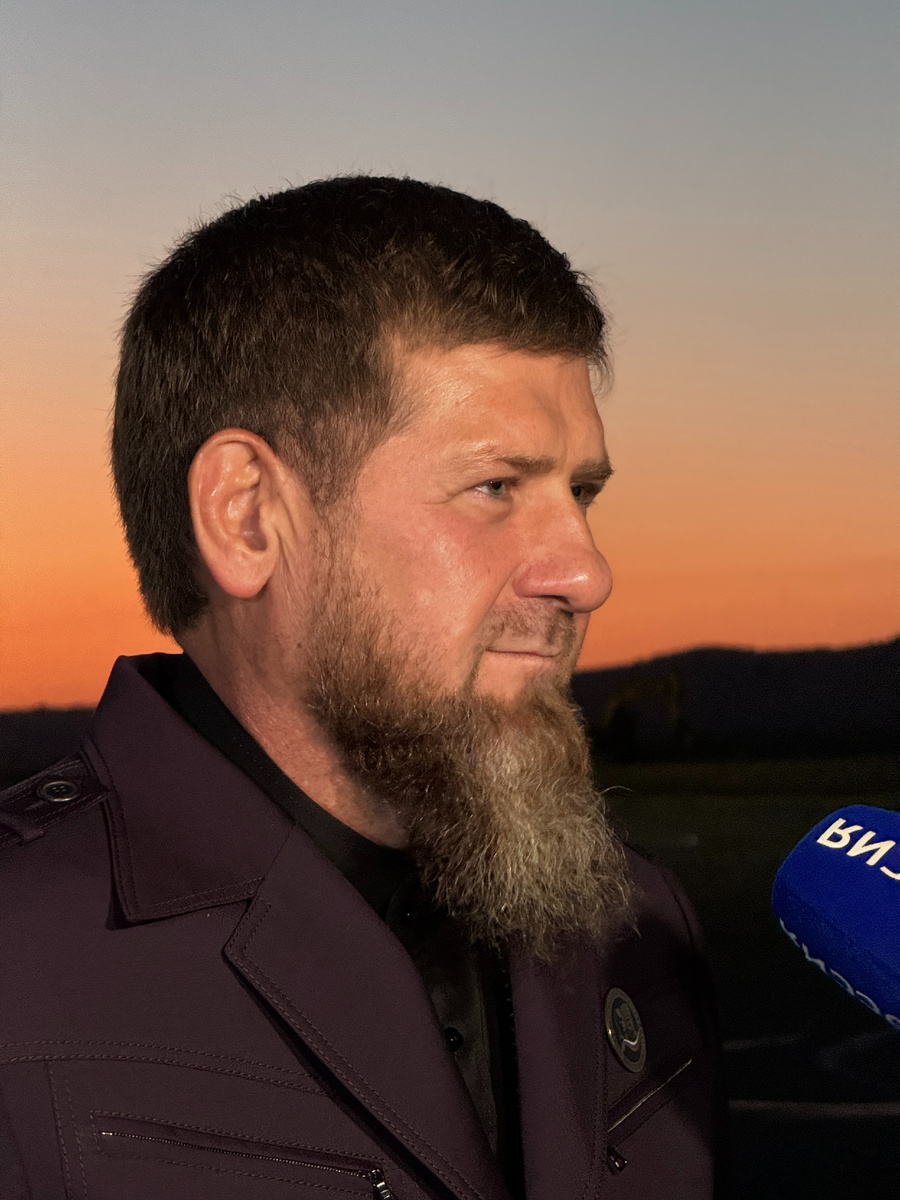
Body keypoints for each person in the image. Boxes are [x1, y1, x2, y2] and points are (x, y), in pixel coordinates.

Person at [0, 176, 723, 1199]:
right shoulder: (19, 962)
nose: (586, 571)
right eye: (496, 487)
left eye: (582, 493)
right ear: (248, 517)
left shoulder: (638, 927)